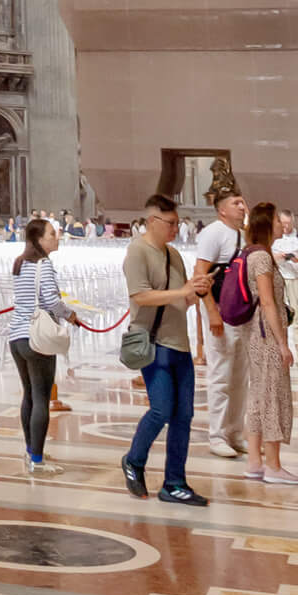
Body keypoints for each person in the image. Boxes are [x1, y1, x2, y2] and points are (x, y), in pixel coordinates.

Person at [120, 193, 211, 505]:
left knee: (184, 415)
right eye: (170, 223)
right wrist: (182, 290)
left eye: (177, 223)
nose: (175, 229)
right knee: (161, 409)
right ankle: (134, 459)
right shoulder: (137, 252)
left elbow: (181, 301)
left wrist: (196, 292)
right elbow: (140, 296)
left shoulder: (174, 255)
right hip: (153, 342)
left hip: (179, 343)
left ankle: (174, 482)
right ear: (152, 221)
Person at [9, 216, 78, 475]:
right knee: (41, 397)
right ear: (39, 239)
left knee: (29, 395)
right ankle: (37, 459)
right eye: (52, 234)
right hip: (37, 337)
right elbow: (50, 300)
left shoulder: (20, 263)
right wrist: (70, 314)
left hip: (17, 336)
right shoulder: (44, 264)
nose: (56, 237)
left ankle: (31, 451)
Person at [244, 200, 298, 484]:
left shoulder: (254, 254)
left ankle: (255, 461)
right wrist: (282, 343)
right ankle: (274, 466)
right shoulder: (262, 258)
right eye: (278, 220)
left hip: (257, 334)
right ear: (266, 224)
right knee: (273, 395)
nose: (282, 223)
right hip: (267, 335)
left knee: (258, 395)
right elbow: (267, 302)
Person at [193, 180, 249, 459]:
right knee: (221, 374)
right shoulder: (213, 234)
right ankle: (216, 435)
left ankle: (235, 432)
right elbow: (200, 276)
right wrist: (211, 312)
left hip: (241, 313)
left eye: (242, 202)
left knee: (240, 375)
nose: (242, 207)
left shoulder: (241, 233)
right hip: (220, 311)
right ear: (221, 210)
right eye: (236, 203)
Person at [272, 209, 298, 359]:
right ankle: (280, 346)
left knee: (297, 313)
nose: (286, 227)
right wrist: (279, 256)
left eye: (289, 224)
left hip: (294, 277)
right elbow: (267, 256)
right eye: (283, 224)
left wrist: (296, 258)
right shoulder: (274, 236)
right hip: (279, 277)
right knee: (279, 313)